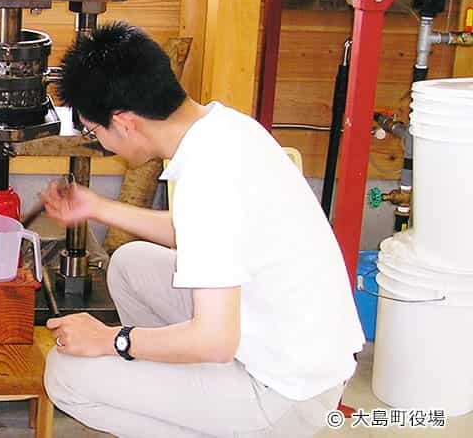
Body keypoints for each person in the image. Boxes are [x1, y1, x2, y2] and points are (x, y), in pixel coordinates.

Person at [39, 23, 365, 437]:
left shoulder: (207, 176)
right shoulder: (224, 128)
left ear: (124, 122)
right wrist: (99, 208)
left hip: (283, 393)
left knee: (65, 374)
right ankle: (190, 399)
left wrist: (113, 340)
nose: (98, 141)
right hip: (298, 350)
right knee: (130, 264)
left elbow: (214, 340)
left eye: (94, 131)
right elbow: (202, 234)